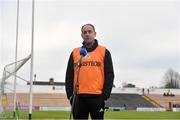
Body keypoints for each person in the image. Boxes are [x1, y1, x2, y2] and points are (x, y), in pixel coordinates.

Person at [65, 24, 114, 119]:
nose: (87, 34)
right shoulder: (75, 52)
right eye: (85, 32)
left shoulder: (104, 52)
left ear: (95, 34)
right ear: (81, 35)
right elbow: (69, 75)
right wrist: (70, 95)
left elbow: (109, 75)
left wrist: (105, 95)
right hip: (79, 98)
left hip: (97, 97)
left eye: (90, 32)